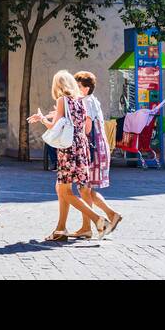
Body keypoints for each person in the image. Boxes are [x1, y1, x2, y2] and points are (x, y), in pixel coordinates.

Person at [29, 70, 106, 242]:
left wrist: (42, 119)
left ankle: (97, 219)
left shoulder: (62, 100)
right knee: (62, 188)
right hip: (81, 147)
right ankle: (61, 229)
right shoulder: (80, 101)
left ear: (59, 85)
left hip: (68, 149)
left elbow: (54, 127)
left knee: (65, 191)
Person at [75, 71, 121, 236]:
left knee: (84, 188)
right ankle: (111, 215)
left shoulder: (86, 102)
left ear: (86, 89)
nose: (76, 88)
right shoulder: (92, 101)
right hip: (99, 147)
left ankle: (86, 227)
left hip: (91, 149)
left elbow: (87, 128)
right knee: (86, 189)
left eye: (78, 86)